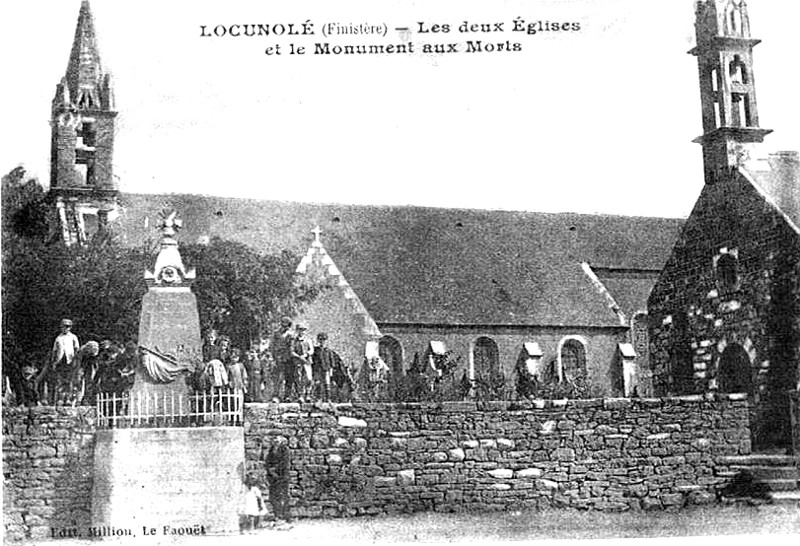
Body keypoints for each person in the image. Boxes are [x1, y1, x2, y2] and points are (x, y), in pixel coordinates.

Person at [45, 319, 81, 405]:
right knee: (60, 380)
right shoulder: (58, 338)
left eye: (67, 327)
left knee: (69, 380)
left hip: (70, 360)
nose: (65, 328)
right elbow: (55, 350)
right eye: (64, 327)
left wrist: (75, 360)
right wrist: (54, 361)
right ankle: (60, 398)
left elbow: (77, 349)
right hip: (60, 361)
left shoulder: (73, 337)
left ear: (70, 328)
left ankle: (68, 398)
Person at [264, 438, 291, 523]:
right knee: (273, 496)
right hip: (273, 477)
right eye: (274, 441)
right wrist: (270, 471)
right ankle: (277, 514)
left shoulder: (284, 450)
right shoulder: (271, 450)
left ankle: (283, 515)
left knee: (282, 495)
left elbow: (285, 462)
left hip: (282, 476)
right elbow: (267, 461)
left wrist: (276, 469)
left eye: (277, 441)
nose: (275, 443)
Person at [271, 318, 296, 401]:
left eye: (287, 326)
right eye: (283, 325)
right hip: (278, 358)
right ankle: (276, 395)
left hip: (289, 359)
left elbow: (291, 347)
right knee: (278, 378)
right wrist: (274, 357)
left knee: (289, 377)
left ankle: (287, 396)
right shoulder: (276, 334)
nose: (285, 328)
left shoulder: (291, 335)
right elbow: (272, 346)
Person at [311, 333, 337, 402]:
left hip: (326, 369)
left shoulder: (329, 350)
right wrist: (314, 370)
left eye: (324, 340)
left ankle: (328, 398)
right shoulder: (316, 350)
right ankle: (319, 398)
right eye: (320, 340)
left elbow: (332, 361)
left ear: (326, 341)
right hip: (318, 369)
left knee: (327, 383)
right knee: (318, 383)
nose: (322, 341)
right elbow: (314, 360)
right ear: (318, 341)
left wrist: (331, 370)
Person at [291, 323, 314, 401]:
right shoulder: (294, 341)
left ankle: (308, 394)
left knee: (309, 378)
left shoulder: (308, 340)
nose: (302, 332)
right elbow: (292, 351)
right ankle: (300, 395)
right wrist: (298, 356)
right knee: (299, 378)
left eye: (303, 330)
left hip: (307, 361)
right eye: (300, 330)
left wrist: (306, 354)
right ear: (297, 331)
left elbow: (311, 350)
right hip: (298, 361)